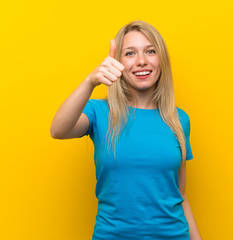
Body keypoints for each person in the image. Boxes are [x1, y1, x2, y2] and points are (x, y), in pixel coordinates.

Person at [50, 20, 202, 240]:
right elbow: (58, 130)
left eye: (150, 51)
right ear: (117, 62)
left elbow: (179, 194)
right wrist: (90, 81)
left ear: (161, 60)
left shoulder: (179, 119)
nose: (141, 61)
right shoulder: (99, 112)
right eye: (130, 53)